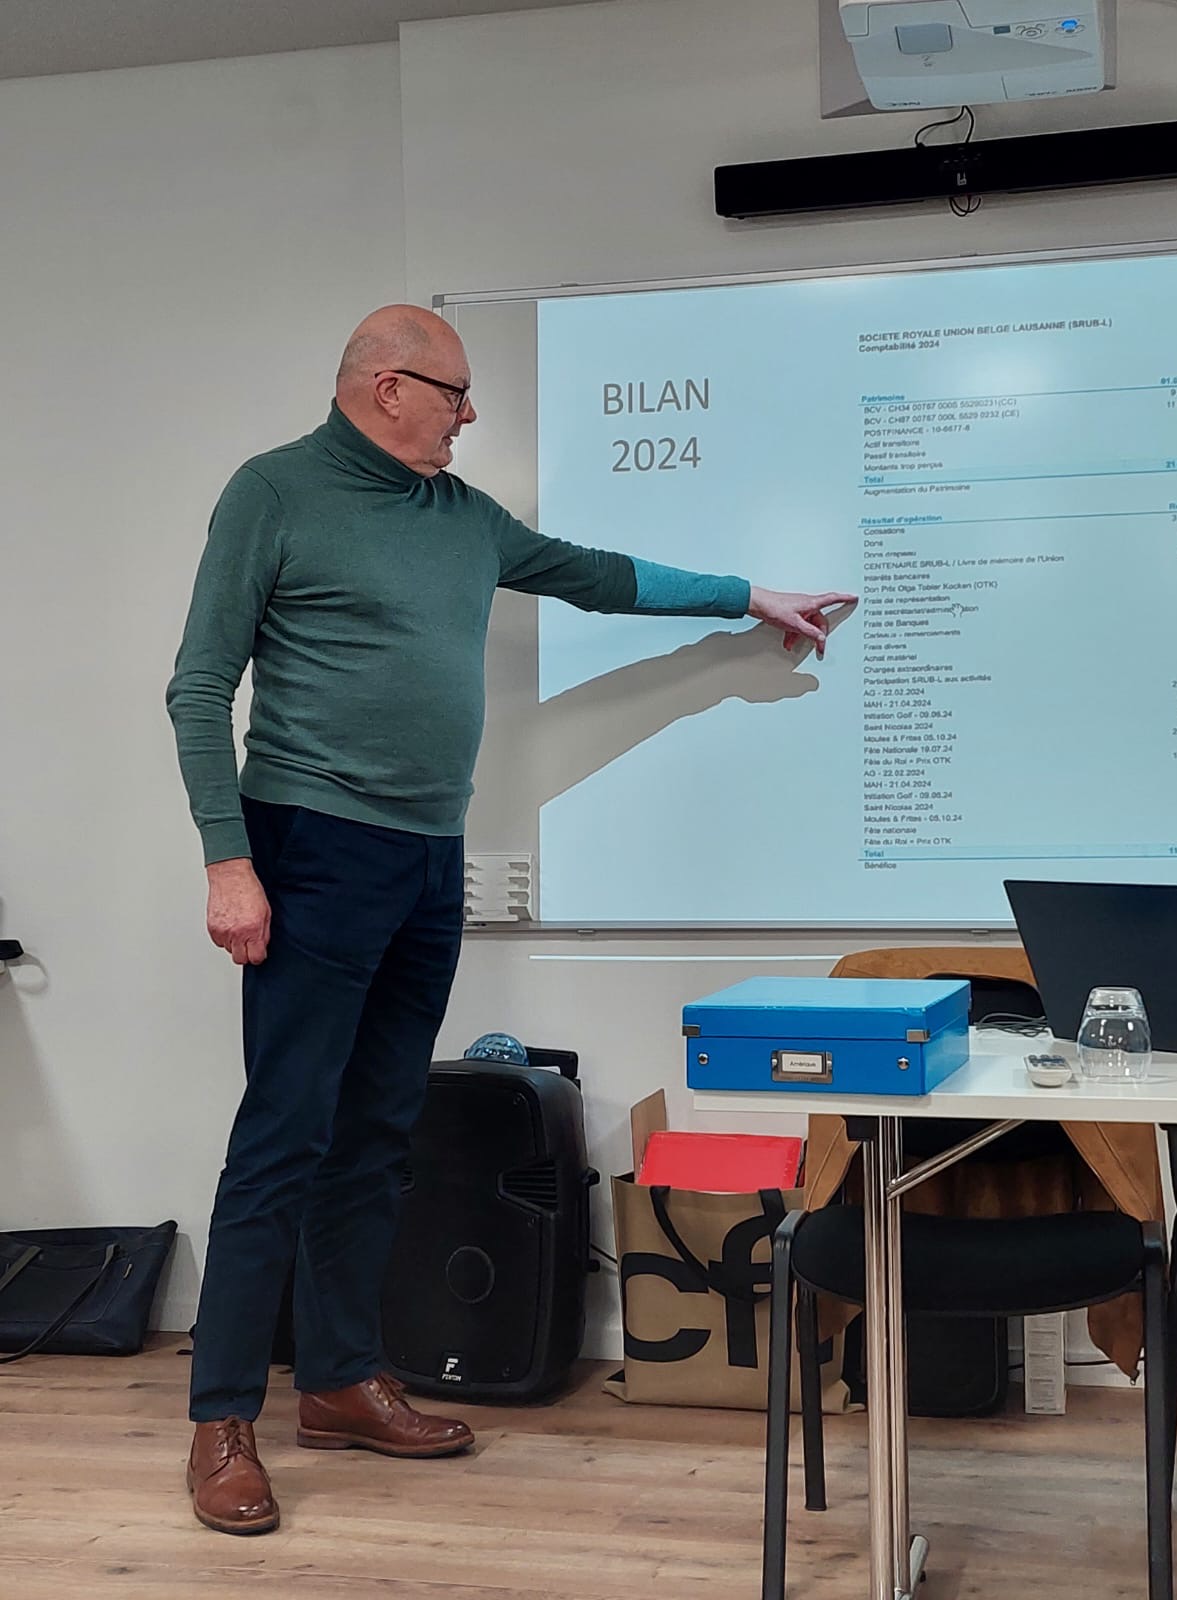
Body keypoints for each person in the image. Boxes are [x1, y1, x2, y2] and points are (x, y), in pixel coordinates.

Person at [166, 304, 855, 1536]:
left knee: (379, 1133)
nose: (469, 414)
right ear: (387, 386)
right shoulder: (271, 493)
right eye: (455, 392)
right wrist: (230, 861)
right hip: (310, 847)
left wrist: (751, 594)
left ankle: (338, 1380)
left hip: (428, 856)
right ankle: (222, 1420)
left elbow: (596, 576)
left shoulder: (463, 517)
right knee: (284, 1136)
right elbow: (199, 684)